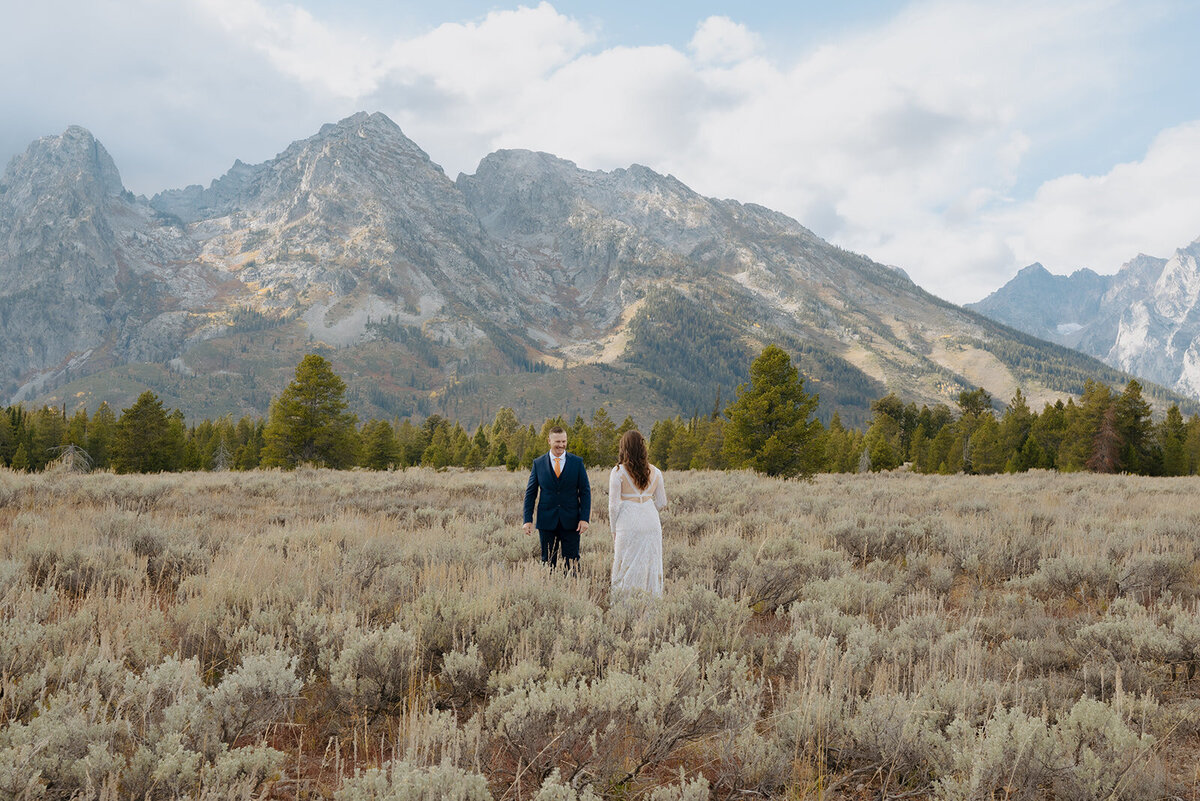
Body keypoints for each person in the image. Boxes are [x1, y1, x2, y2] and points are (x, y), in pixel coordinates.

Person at [608, 430, 667, 597]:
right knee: (651, 564)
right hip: (651, 520)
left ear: (624, 448)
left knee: (625, 564)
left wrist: (613, 530)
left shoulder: (618, 471)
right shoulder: (656, 472)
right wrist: (647, 504)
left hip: (628, 521)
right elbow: (662, 503)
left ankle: (624, 606)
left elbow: (612, 506)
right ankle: (650, 605)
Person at [523, 426, 591, 571]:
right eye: (557, 441)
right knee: (547, 562)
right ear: (549, 441)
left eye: (564, 441)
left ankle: (573, 590)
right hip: (547, 521)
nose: (561, 445)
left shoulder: (577, 462)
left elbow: (585, 492)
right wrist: (527, 520)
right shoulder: (538, 463)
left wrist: (584, 518)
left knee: (572, 562)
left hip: (572, 522)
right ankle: (548, 589)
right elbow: (531, 493)